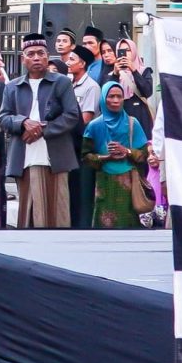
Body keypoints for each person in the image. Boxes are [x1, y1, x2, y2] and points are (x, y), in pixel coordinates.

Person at [0, 33, 83, 228]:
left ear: (47, 56)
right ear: (23, 59)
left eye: (40, 53)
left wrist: (41, 128)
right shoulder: (12, 87)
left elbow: (72, 115)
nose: (36, 58)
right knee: (29, 214)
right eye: (31, 54)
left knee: (58, 212)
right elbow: (3, 118)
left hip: (55, 155)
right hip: (24, 156)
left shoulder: (61, 82)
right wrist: (23, 122)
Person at [84, 77, 150, 228]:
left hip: (129, 183)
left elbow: (144, 154)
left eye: (119, 96)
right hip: (103, 183)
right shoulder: (94, 126)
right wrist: (106, 157)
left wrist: (126, 151)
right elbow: (85, 157)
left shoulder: (132, 123)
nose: (115, 100)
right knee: (103, 228)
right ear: (103, 99)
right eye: (111, 96)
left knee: (128, 226)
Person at [62, 43, 101, 227]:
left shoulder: (91, 87)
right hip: (68, 144)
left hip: (84, 146)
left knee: (83, 191)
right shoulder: (67, 84)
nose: (68, 63)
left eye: (72, 59)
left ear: (83, 63)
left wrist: (63, 122)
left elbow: (86, 119)